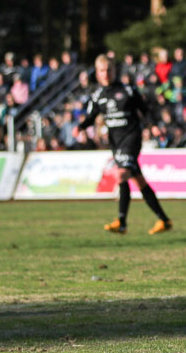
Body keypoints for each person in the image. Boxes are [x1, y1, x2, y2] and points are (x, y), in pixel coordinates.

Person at [74, 55, 173, 235]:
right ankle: (164, 220)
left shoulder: (128, 90)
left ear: (115, 71)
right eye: (102, 71)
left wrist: (153, 127)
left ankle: (121, 221)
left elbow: (145, 111)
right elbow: (91, 116)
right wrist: (80, 127)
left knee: (120, 174)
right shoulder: (98, 95)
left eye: (109, 70)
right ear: (97, 73)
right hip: (115, 142)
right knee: (139, 181)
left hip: (131, 138)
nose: (106, 74)